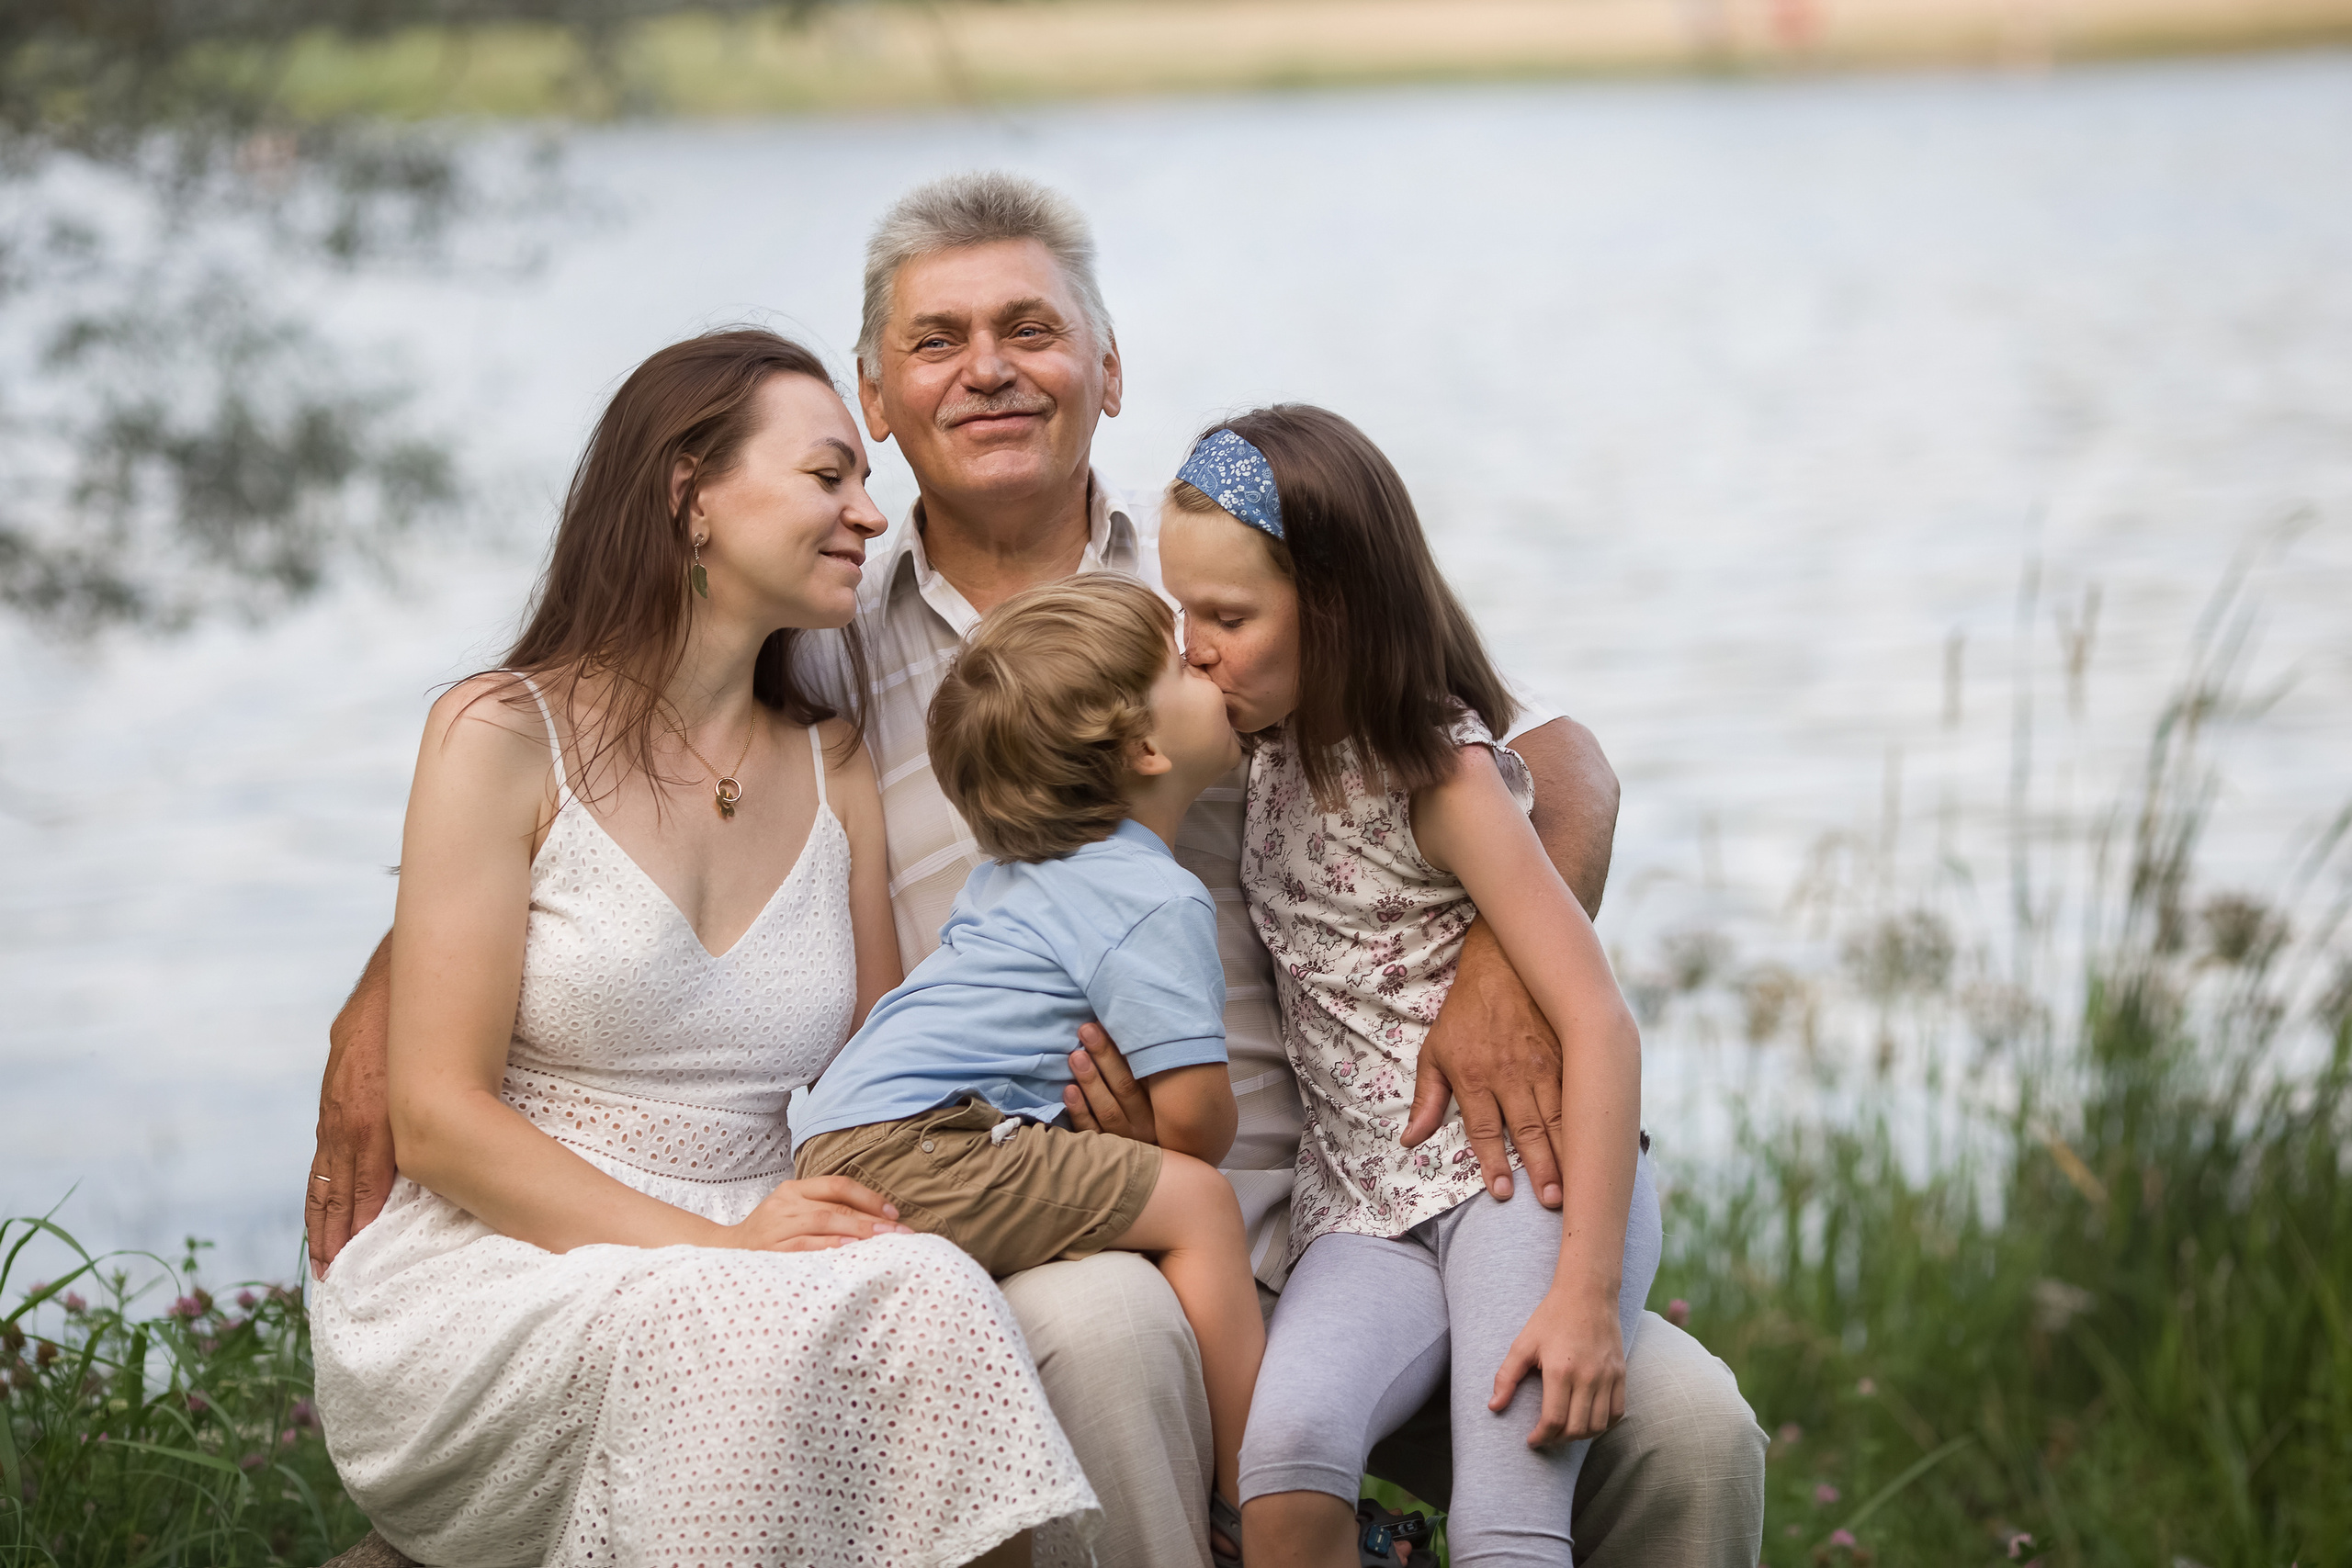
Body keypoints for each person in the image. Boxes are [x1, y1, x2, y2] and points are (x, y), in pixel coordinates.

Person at [309, 173, 1769, 1568]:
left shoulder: (1211, 591)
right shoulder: (820, 646)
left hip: (1353, 1194)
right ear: (877, 403)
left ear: (1110, 370)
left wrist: (1503, 962)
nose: (988, 370)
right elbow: (598, 779)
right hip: (1054, 1207)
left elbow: (1547, 759)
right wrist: (386, 997)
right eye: (935, 341)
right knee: (1116, 1332)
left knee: (1692, 1430)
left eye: (1032, 330)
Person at [308, 330, 1095, 1567]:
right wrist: (719, 1248)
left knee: (939, 1299)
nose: (870, 513)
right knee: (723, 1323)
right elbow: (440, 1116)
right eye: (828, 476)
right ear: (691, 496)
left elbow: (870, 1073)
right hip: (509, 1256)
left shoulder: (835, 765)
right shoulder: (502, 732)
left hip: (755, 1211)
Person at [1159, 411, 1659, 1566]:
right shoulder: (1259, 746)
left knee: (1503, 1523)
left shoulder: (1435, 767)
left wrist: (1582, 1296)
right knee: (1281, 1465)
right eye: (1184, 614)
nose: (1195, 648)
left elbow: (1598, 1021)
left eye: (1227, 618)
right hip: (1361, 1209)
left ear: (1331, 610)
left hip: (1515, 1187)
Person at [792, 575, 1263, 1550]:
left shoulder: (1012, 878)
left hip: (851, 1131)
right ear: (1143, 748)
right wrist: (1165, 1134)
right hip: (918, 1143)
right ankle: (1260, 1508)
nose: (1205, 664)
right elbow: (1194, 1130)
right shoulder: (1147, 897)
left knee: (1118, 1210)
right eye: (1179, 663)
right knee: (1201, 1207)